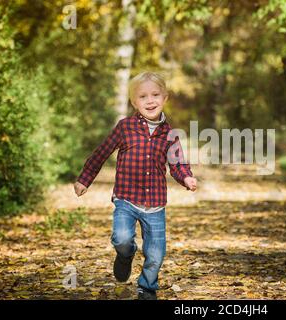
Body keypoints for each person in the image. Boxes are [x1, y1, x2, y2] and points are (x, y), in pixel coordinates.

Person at [73, 71, 197, 300]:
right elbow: (101, 153)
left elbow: (178, 163)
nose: (150, 101)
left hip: (155, 204)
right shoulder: (125, 127)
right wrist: (84, 179)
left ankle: (147, 287)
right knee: (121, 238)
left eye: (155, 95)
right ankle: (125, 254)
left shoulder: (170, 134)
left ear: (165, 98)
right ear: (134, 102)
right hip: (126, 199)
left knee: (156, 254)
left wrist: (186, 178)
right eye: (143, 96)